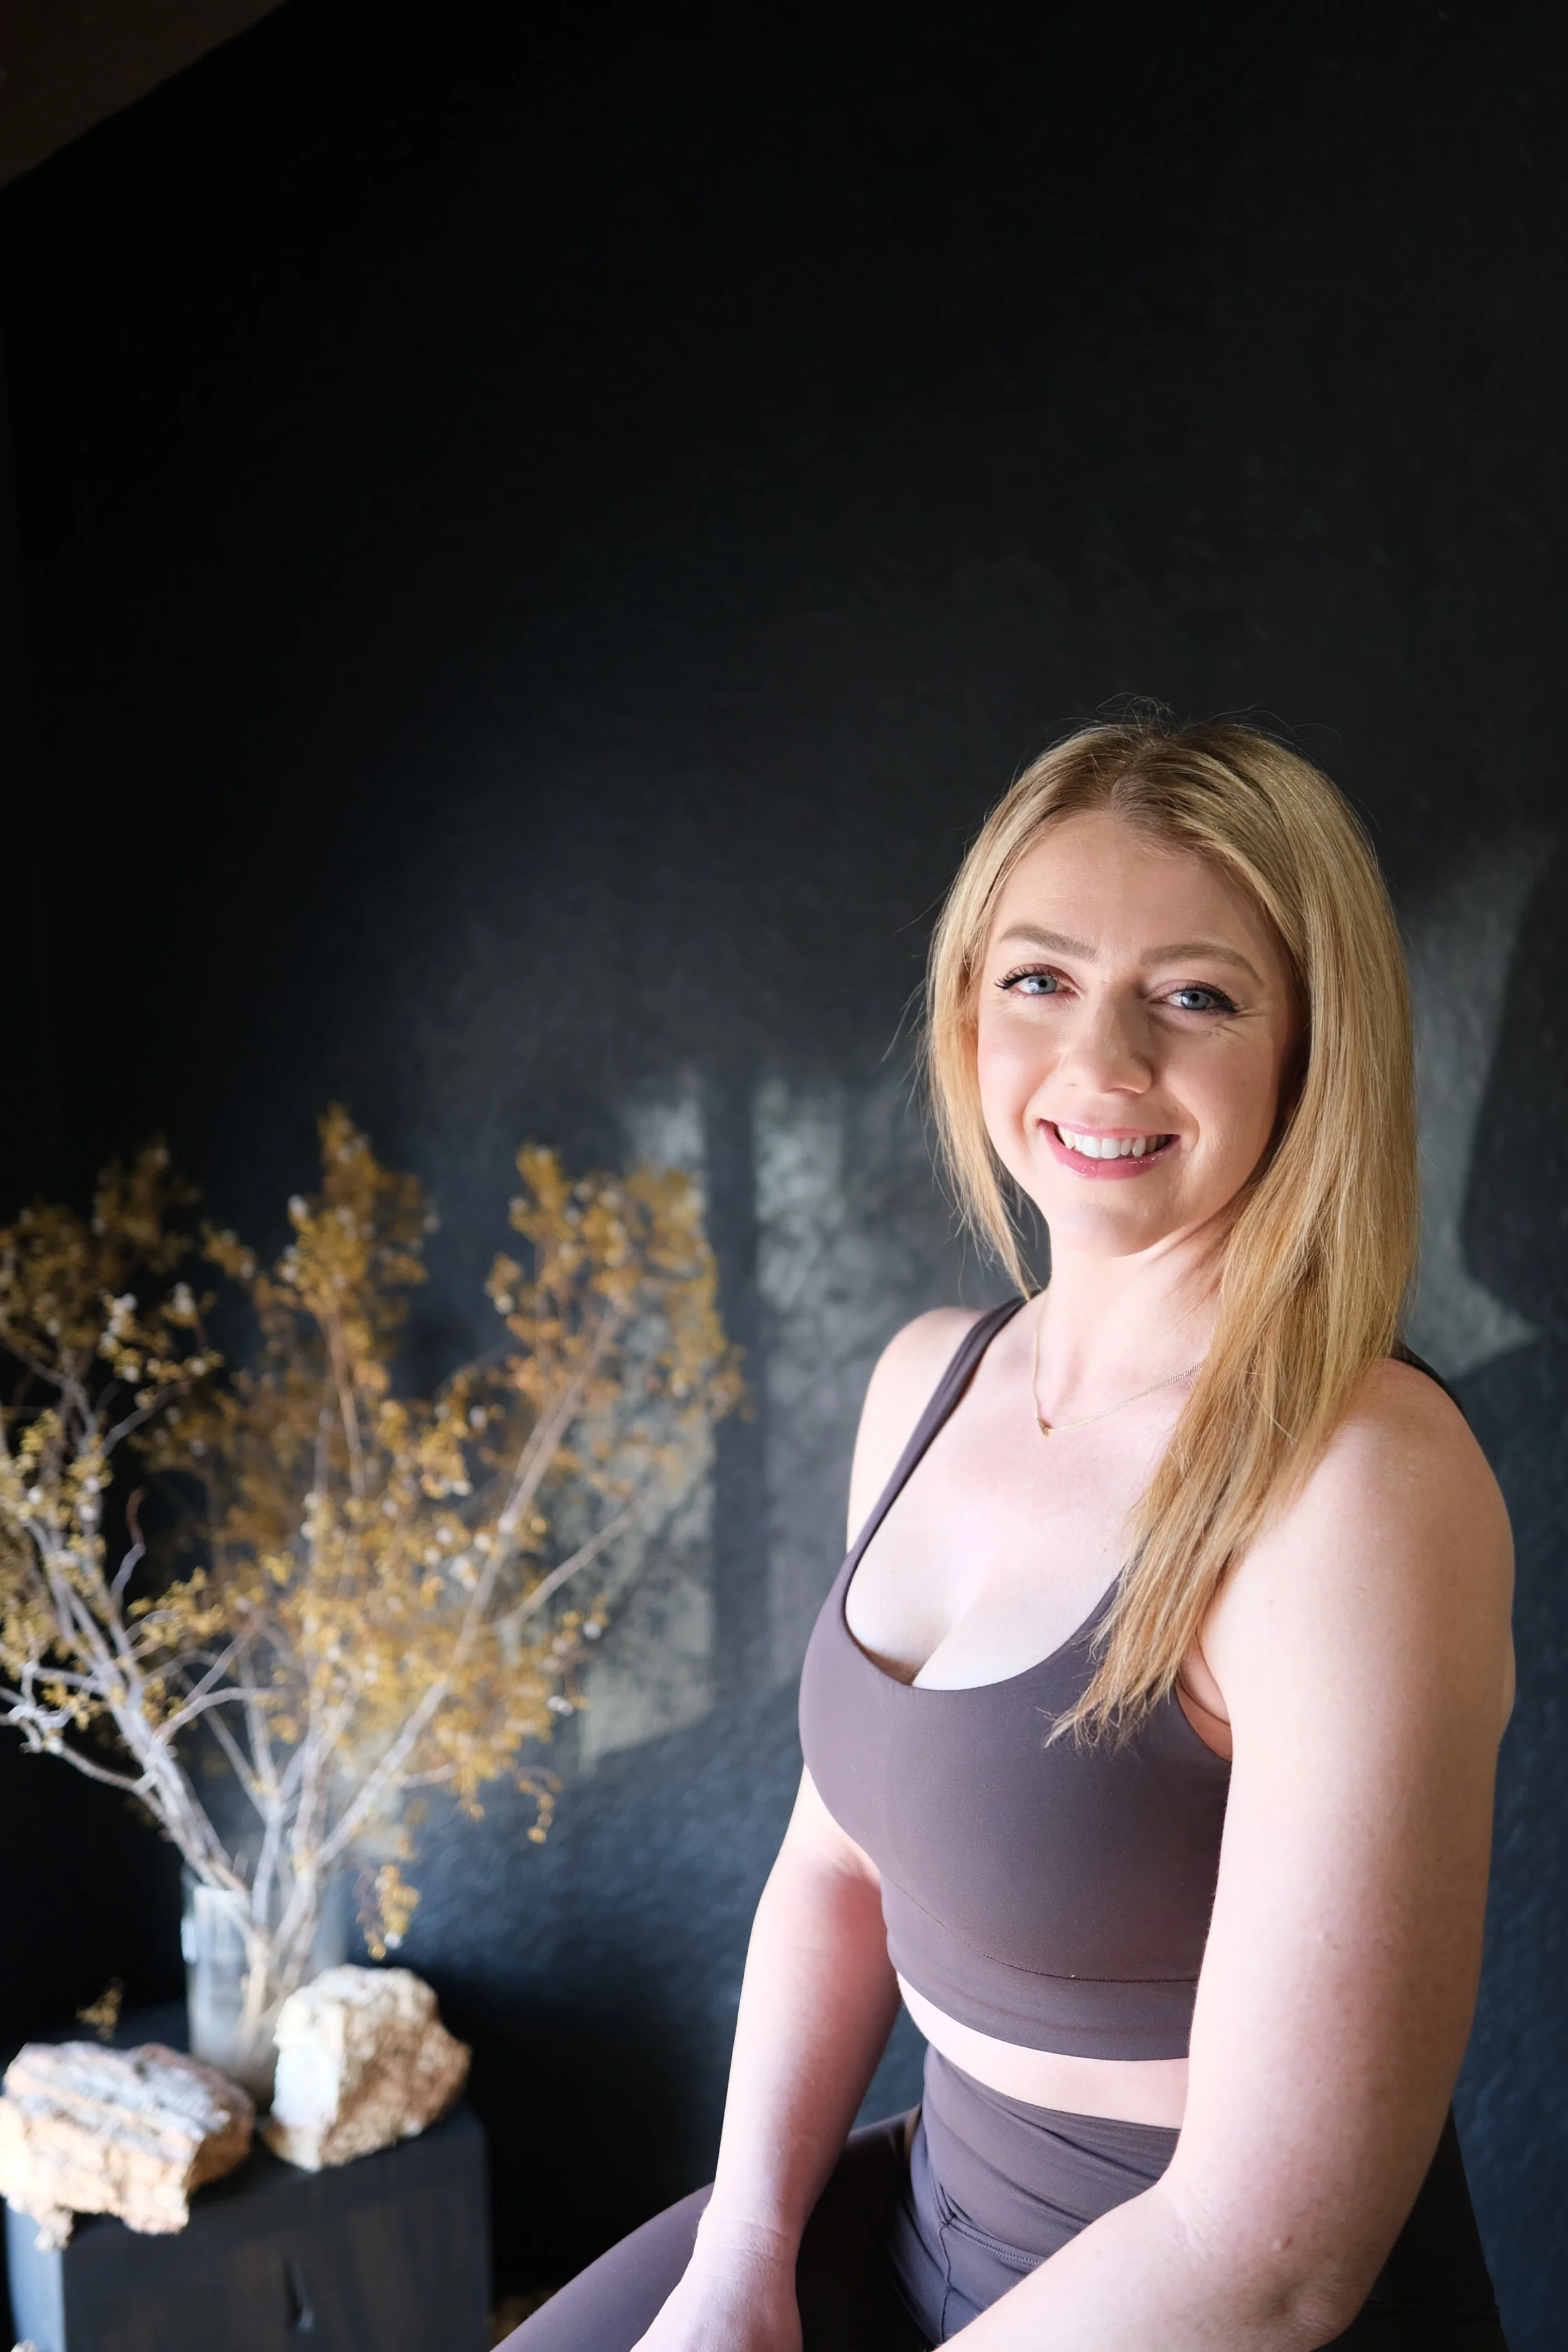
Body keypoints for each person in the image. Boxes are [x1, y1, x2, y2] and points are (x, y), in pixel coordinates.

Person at [502, 712, 1513, 2349]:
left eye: (1195, 996)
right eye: (1042, 977)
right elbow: (836, 1863)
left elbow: (1275, 2260)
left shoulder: (1360, 1485)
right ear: (968, 1002)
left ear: (1311, 1050)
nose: (1100, 1061)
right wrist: (743, 2257)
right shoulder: (931, 1375)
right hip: (920, 2213)